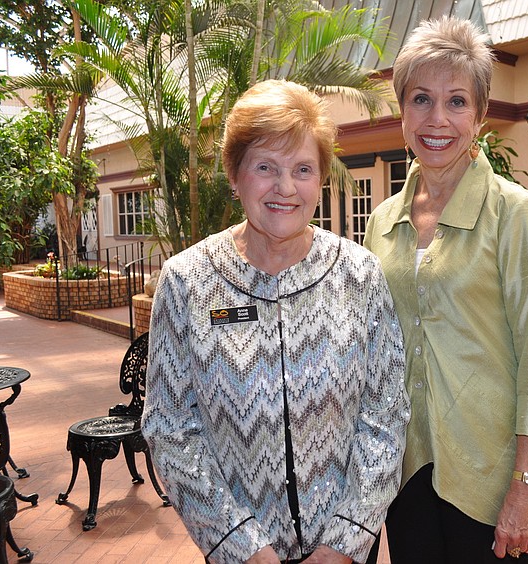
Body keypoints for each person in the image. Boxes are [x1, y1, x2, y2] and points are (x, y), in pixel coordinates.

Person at [141, 79, 410, 564]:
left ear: (321, 179)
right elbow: (171, 429)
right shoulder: (187, 283)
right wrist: (242, 546)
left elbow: (385, 418)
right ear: (234, 174)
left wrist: (345, 542)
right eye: (266, 167)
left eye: (302, 169)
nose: (285, 188)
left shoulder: (359, 274)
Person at [363, 16, 528, 564]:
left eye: (457, 102)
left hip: (492, 476)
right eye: (421, 99)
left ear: (479, 115)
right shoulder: (381, 221)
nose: (438, 119)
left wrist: (527, 486)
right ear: (401, 111)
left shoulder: (514, 213)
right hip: (407, 474)